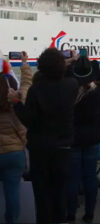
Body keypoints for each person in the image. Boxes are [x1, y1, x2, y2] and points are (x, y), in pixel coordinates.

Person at [13, 48, 79, 224]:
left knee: (42, 195)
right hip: (63, 148)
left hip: (40, 149)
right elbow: (73, 78)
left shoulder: (37, 89)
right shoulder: (71, 85)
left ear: (41, 66)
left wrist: (16, 103)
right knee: (60, 193)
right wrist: (71, 61)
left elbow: (29, 119)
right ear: (61, 65)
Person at [66, 56, 100, 224]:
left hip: (73, 138)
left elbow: (65, 76)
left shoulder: (69, 90)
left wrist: (70, 63)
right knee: (90, 177)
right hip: (92, 138)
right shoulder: (99, 89)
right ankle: (89, 214)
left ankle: (70, 214)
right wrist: (89, 65)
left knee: (73, 178)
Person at [1, 52, 32, 224]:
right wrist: (24, 64)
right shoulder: (16, 100)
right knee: (13, 193)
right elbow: (27, 84)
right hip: (14, 153)